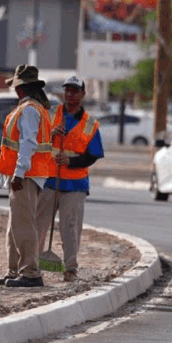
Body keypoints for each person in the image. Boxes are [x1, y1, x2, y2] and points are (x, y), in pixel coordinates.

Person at [0, 65, 57, 288]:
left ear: (20, 88)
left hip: (26, 177)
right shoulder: (31, 108)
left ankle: (30, 272)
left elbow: (28, 144)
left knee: (23, 225)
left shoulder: (29, 110)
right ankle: (15, 270)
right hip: (26, 175)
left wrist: (19, 173)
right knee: (15, 227)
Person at [47, 75, 104, 282]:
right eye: (67, 90)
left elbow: (93, 155)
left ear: (82, 95)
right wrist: (50, 133)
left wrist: (71, 161)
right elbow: (35, 140)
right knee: (39, 224)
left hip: (75, 184)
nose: (70, 94)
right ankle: (32, 267)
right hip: (48, 180)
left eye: (74, 91)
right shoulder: (51, 114)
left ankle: (70, 268)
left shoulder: (90, 124)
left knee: (70, 227)